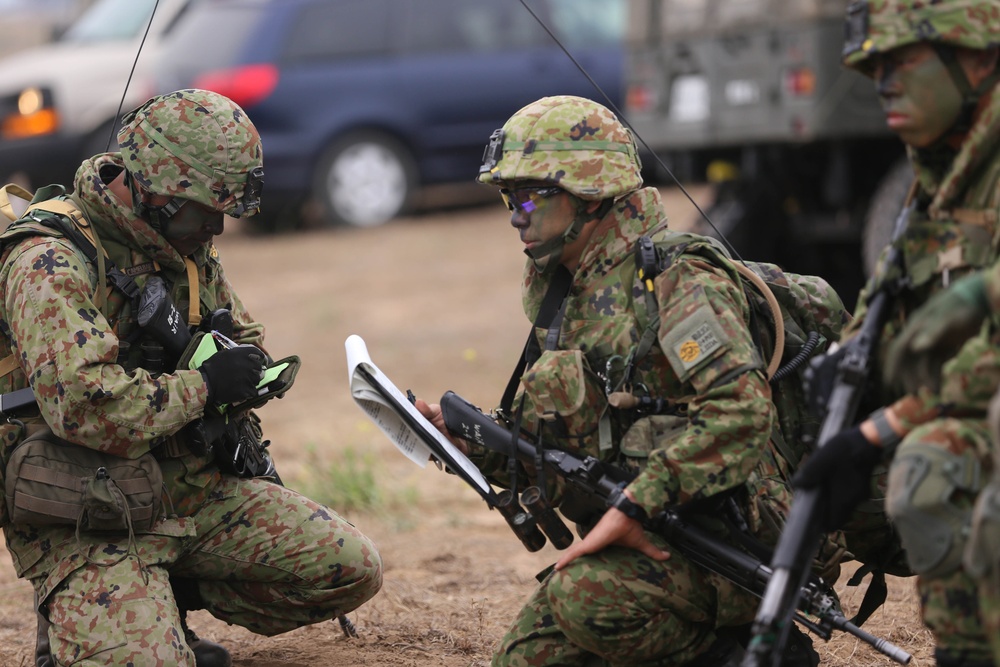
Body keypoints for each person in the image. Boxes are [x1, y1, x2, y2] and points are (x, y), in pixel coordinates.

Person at [416, 94, 846, 666]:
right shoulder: (569, 292)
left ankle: (750, 653)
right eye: (505, 198)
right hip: (648, 532)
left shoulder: (679, 282)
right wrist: (469, 441)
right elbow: (566, 446)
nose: (515, 214)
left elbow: (740, 415)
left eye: (526, 196)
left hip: (726, 540)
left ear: (588, 190)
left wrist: (639, 503)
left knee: (586, 600)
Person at [0, 89, 382, 666]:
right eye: (203, 211)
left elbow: (244, 334)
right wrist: (203, 387)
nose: (215, 229)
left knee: (348, 568)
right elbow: (84, 408)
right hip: (88, 508)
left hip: (187, 490)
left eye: (221, 212)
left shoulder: (176, 241)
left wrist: (242, 368)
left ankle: (162, 600)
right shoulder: (49, 261)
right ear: (150, 185)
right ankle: (92, 619)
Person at [790, 2, 1000, 666]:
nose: (882, 83)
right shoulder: (934, 178)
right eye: (873, 67)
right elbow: (893, 310)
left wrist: (882, 429)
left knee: (931, 465)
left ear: (978, 57)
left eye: (902, 61)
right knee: (862, 489)